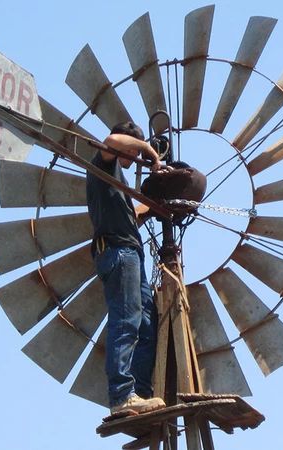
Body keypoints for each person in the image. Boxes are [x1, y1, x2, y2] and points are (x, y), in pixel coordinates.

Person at [86, 121, 167, 416]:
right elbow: (111, 139)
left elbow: (131, 214)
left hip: (132, 253)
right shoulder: (103, 165)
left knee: (146, 323)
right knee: (127, 319)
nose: (136, 161)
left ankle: (140, 393)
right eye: (133, 150)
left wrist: (159, 203)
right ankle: (121, 395)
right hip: (119, 254)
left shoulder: (115, 181)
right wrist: (150, 153)